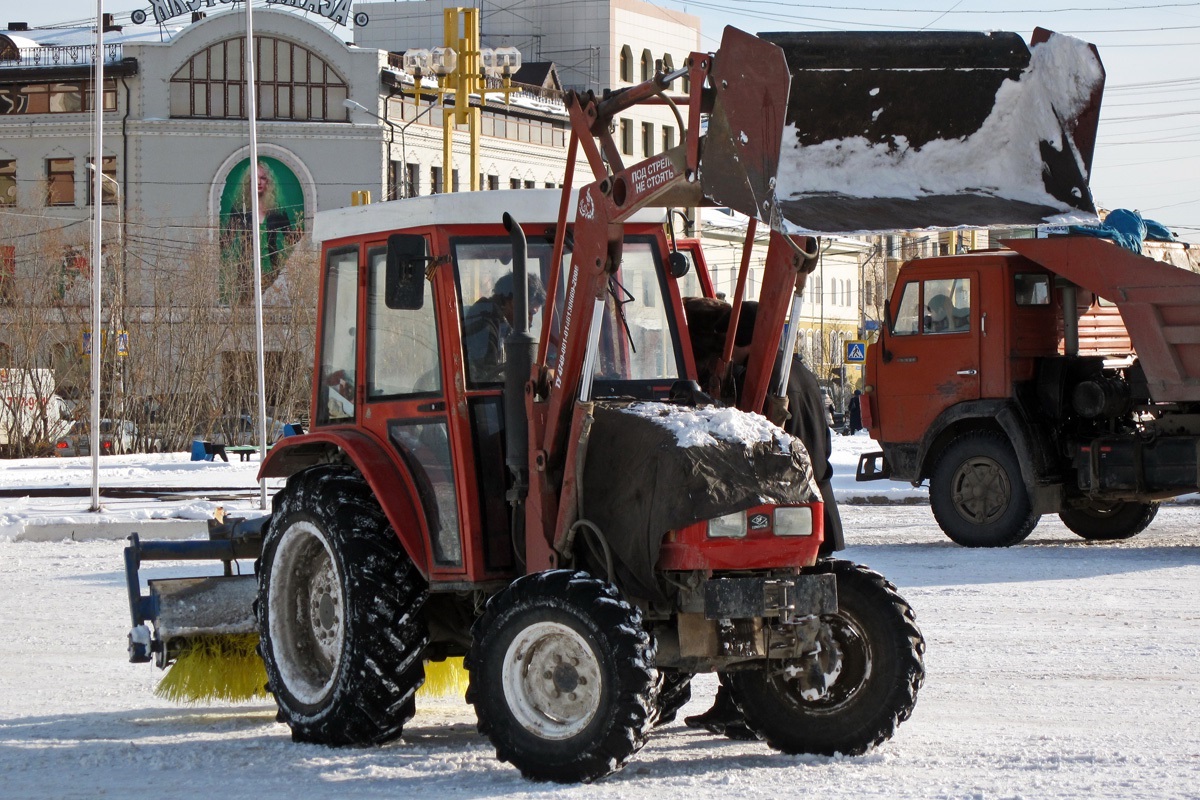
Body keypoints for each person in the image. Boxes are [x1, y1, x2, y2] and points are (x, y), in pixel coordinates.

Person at [682, 299, 844, 739]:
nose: (724, 356)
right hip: (816, 505)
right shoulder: (801, 371)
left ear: (745, 342)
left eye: (730, 347)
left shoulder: (757, 380)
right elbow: (823, 446)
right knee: (789, 610)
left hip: (776, 511)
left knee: (753, 612)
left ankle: (743, 702)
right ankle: (745, 700)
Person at [220, 160, 300, 303]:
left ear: (268, 181)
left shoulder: (277, 210)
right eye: (254, 178)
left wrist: (301, 233)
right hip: (246, 272)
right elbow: (227, 240)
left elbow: (290, 239)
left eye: (263, 178)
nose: (259, 182)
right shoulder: (239, 208)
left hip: (272, 270)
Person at [462, 272, 547, 383]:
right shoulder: (483, 321)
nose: (530, 322)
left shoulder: (504, 326)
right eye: (530, 313)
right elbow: (487, 377)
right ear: (514, 302)